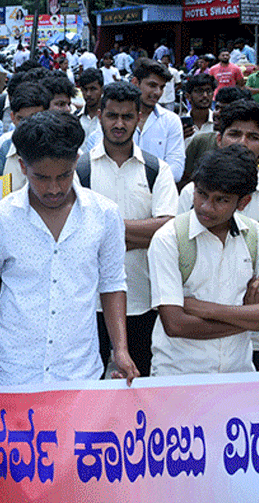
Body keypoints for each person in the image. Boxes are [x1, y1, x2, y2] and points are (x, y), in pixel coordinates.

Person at [0, 109, 138, 406]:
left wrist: (119, 349)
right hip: (12, 371)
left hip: (79, 370)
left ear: (75, 164)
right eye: (42, 178)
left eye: (64, 176)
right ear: (22, 166)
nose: (54, 188)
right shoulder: (0, 219)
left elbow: (112, 284)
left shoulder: (104, 215)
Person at [178, 100, 259, 371]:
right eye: (235, 134)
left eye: (253, 137)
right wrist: (246, 308)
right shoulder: (192, 194)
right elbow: (180, 268)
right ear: (220, 139)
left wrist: (205, 305)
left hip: (255, 340)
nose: (242, 143)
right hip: (195, 339)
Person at [148, 145, 259, 376]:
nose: (205, 207)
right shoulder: (169, 238)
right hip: (179, 376)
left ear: (243, 203)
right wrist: (250, 316)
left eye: (220, 200)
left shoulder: (255, 235)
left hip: (238, 374)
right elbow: (175, 325)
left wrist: (204, 308)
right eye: (201, 194)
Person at [82, 82, 178, 377]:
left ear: (139, 118)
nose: (119, 124)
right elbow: (76, 233)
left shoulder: (156, 169)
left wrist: (104, 233)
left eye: (127, 117)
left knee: (140, 381)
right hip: (91, 301)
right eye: (112, 116)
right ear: (100, 116)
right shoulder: (80, 169)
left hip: (143, 297)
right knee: (90, 384)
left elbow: (167, 230)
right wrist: (139, 236)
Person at [84, 59, 186, 182]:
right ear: (135, 82)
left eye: (162, 87)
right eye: (152, 85)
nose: (158, 92)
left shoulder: (171, 121)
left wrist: (138, 182)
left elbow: (176, 170)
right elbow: (99, 162)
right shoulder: (113, 118)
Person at [0, 82, 53, 190]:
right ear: (12, 117)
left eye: (34, 118)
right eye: (21, 119)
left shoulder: (62, 155)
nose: (28, 126)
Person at [181, 73, 216, 146]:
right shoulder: (180, 125)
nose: (205, 96)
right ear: (188, 96)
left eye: (209, 91)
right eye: (200, 91)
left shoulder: (218, 122)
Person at [75, 68, 104, 139]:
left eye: (93, 89)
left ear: (102, 89)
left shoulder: (109, 119)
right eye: (85, 89)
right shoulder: (76, 118)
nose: (88, 94)